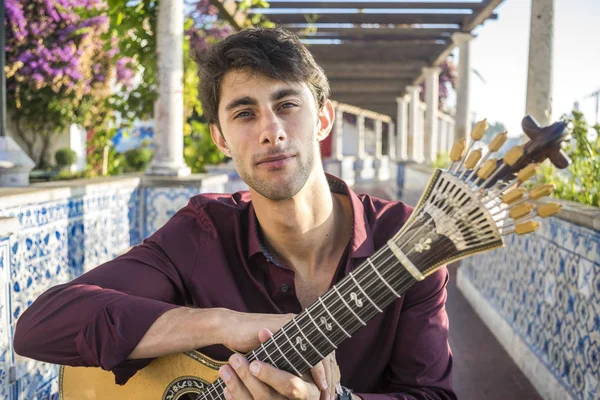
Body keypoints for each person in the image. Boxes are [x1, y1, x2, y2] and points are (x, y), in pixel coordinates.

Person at [13, 27, 456, 400]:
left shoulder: (408, 240)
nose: (271, 132)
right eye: (245, 114)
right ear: (221, 139)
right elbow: (40, 326)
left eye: (286, 106)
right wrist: (224, 325)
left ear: (323, 120)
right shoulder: (200, 234)